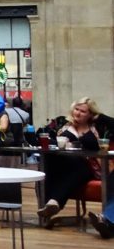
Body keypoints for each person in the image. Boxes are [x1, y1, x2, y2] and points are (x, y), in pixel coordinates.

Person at [39, 97, 104, 226]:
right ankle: (50, 205)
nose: (77, 113)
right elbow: (55, 143)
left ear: (90, 114)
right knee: (49, 158)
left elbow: (94, 146)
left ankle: (54, 202)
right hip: (67, 165)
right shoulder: (66, 127)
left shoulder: (94, 128)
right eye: (76, 109)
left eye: (83, 111)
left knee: (78, 166)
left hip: (88, 167)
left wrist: (81, 129)